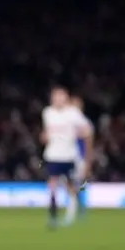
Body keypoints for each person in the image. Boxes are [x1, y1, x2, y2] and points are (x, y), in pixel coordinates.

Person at [41, 85, 91, 229]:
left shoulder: (73, 113)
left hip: (69, 156)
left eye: (61, 96)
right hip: (53, 155)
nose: (58, 99)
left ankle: (79, 206)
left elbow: (87, 129)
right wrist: (45, 137)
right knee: (53, 185)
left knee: (71, 186)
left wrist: (80, 134)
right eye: (55, 96)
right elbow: (47, 132)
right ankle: (53, 217)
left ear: (66, 98)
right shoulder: (47, 112)